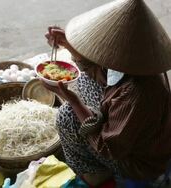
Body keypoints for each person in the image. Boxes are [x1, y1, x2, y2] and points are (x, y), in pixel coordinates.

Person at [41, 0, 171, 187]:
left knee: (67, 116)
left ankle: (95, 174)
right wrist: (69, 44)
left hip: (137, 163)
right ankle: (96, 120)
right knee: (86, 79)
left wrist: (75, 102)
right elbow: (100, 73)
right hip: (134, 129)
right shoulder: (136, 60)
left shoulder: (135, 93)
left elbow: (108, 148)